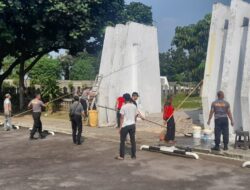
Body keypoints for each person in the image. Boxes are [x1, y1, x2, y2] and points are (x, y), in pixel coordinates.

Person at [116, 93, 139, 160]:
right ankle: (133, 155)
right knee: (133, 141)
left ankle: (121, 156)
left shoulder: (123, 107)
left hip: (125, 125)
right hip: (132, 125)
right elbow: (136, 115)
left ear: (124, 99)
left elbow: (121, 118)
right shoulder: (134, 106)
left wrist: (120, 128)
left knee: (122, 141)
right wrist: (134, 122)